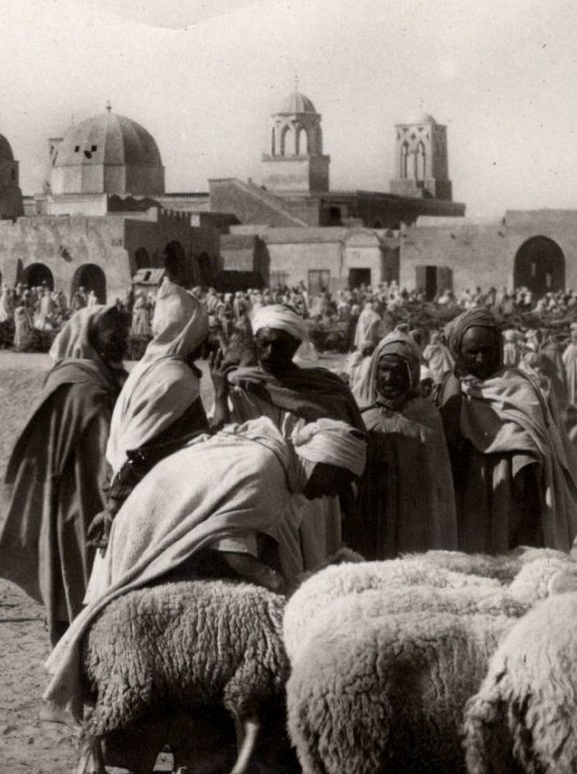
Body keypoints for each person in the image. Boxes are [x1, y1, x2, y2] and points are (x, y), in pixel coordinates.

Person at [41, 416, 366, 722]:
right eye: (337, 479)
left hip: (166, 523)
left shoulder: (276, 462)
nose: (333, 492)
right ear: (321, 462)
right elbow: (232, 551)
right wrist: (279, 586)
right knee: (165, 647)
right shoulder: (266, 471)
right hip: (156, 531)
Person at [0, 304, 130, 650]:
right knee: (82, 581)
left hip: (98, 494)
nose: (122, 345)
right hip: (79, 501)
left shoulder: (105, 380)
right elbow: (101, 451)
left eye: (124, 337)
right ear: (91, 338)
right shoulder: (81, 385)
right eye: (114, 338)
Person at [435, 308, 577, 554]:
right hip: (469, 492)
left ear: (499, 350)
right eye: (472, 352)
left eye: (486, 351)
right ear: (459, 353)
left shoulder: (518, 388)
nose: (480, 359)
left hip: (514, 494)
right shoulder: (453, 389)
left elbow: (532, 444)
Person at [85, 280, 211, 600]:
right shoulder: (176, 378)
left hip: (123, 489)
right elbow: (142, 451)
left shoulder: (149, 366)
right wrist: (116, 506)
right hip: (140, 500)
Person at [213, 303, 363, 565]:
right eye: (264, 343)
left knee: (315, 566)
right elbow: (222, 440)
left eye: (279, 345)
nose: (270, 352)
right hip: (261, 496)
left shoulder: (323, 388)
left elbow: (346, 451)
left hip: (313, 500)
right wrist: (219, 394)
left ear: (295, 345)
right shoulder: (242, 387)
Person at [347, 330, 457, 558]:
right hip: (369, 518)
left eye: (398, 371)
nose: (388, 378)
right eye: (383, 370)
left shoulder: (426, 419)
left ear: (412, 374)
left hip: (411, 523)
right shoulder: (362, 417)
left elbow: (434, 489)